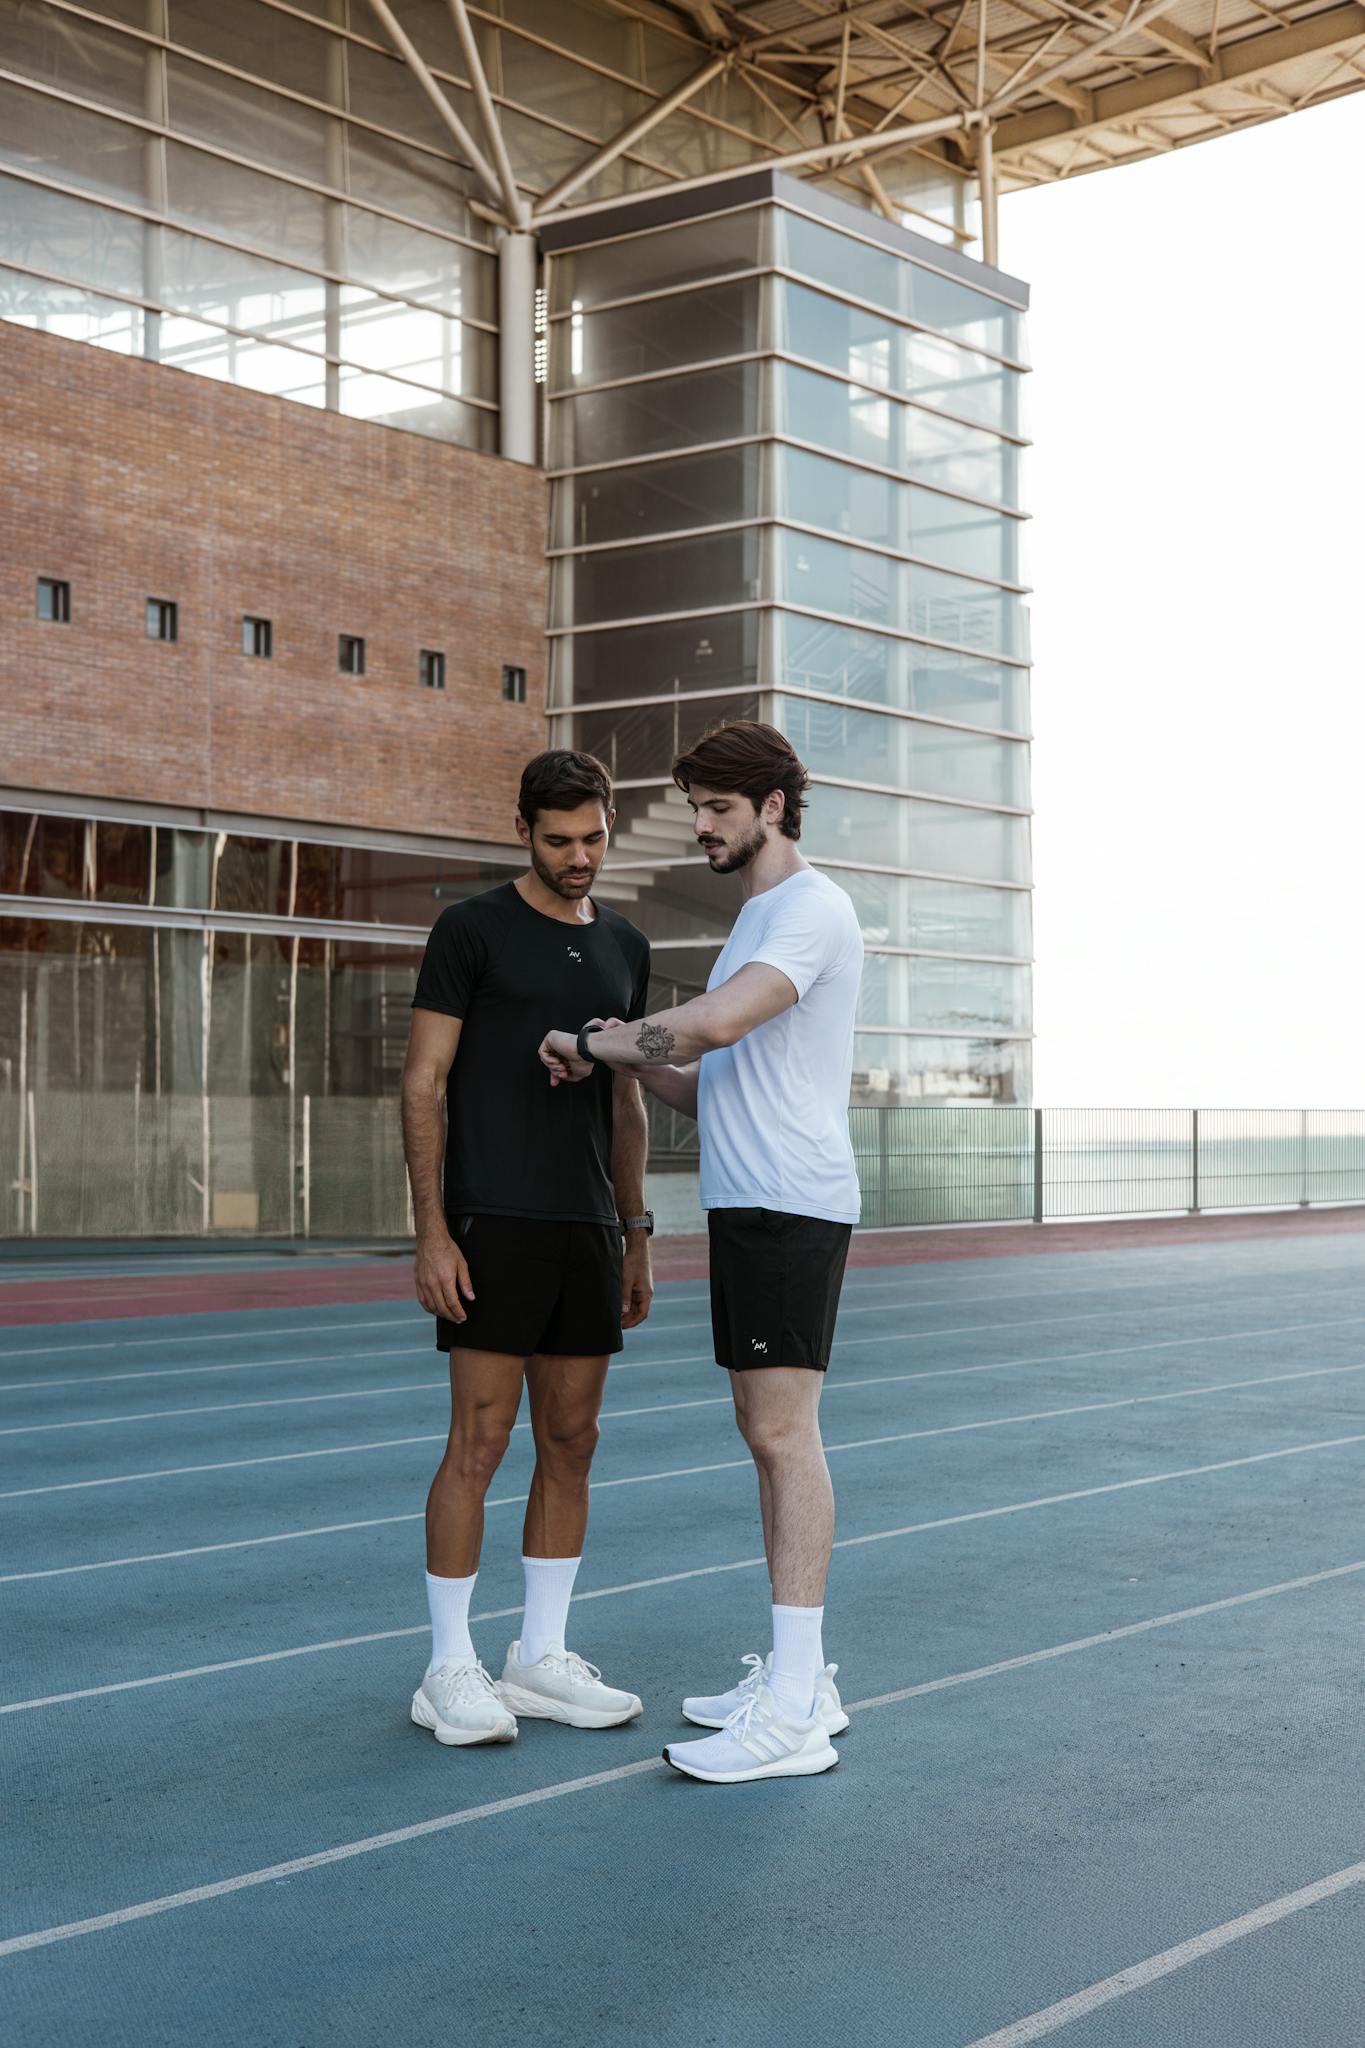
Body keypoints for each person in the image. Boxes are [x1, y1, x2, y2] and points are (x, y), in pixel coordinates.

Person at [538, 720, 863, 1784]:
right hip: (751, 1199)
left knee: (783, 1434)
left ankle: (795, 1705)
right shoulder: (760, 917)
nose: (703, 828)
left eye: (718, 809)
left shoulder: (809, 909)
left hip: (789, 1203)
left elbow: (715, 1025)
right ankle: (800, 1679)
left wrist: (592, 1040)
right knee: (765, 1434)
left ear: (772, 806)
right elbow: (709, 1078)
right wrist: (622, 1060)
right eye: (697, 809)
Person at [401, 749, 655, 1747]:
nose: (578, 855)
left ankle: (539, 1657)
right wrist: (431, 1231)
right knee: (478, 1439)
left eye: (592, 837)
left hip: (587, 1227)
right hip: (491, 1221)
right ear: (523, 832)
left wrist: (636, 1230)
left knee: (572, 1441)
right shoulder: (471, 929)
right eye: (558, 840)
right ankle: (447, 1667)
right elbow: (424, 1080)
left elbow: (626, 1099)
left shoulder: (626, 943)